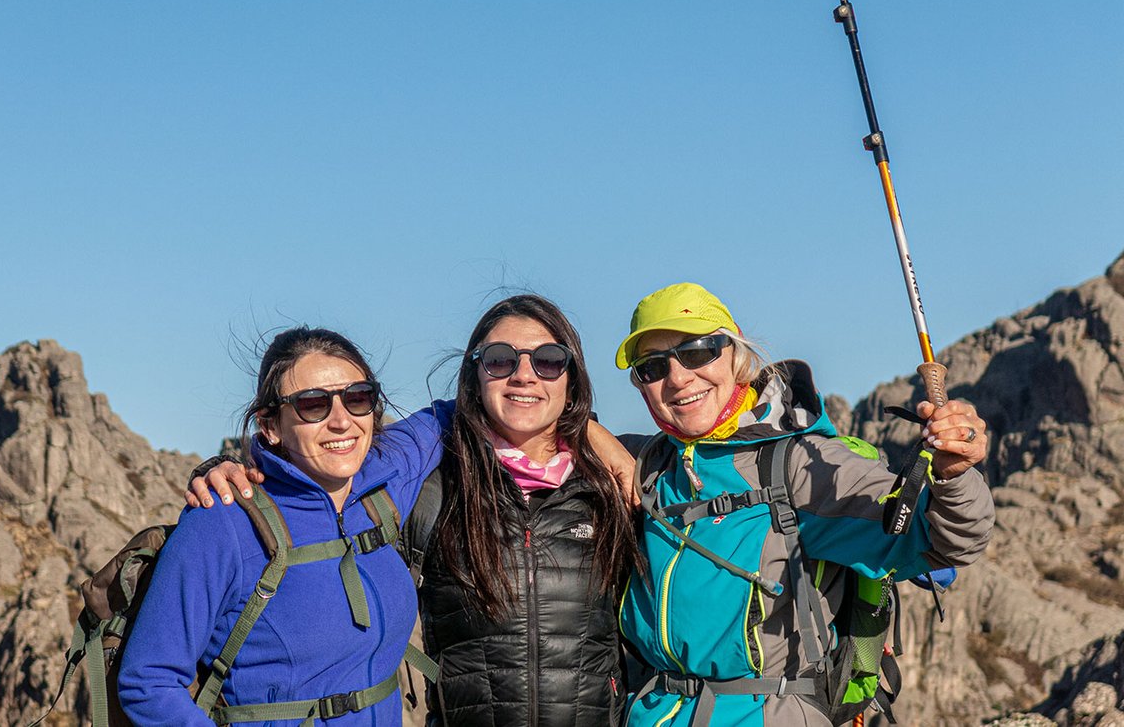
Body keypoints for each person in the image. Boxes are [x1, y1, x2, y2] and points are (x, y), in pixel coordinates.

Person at [189, 295, 641, 727]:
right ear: (476, 374)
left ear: (571, 374)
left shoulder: (619, 480)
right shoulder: (432, 481)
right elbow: (322, 470)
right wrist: (230, 466)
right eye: (500, 359)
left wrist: (591, 432)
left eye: (548, 360)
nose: (524, 375)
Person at [613, 282, 995, 727]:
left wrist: (953, 473)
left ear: (735, 355)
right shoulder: (650, 466)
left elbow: (947, 539)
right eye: (652, 367)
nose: (678, 378)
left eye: (698, 351)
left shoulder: (802, 463)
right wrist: (601, 441)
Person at [117, 327, 443, 725]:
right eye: (312, 405)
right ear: (270, 426)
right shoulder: (222, 522)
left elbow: (466, 408)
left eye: (358, 398)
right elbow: (148, 681)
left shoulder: (385, 481)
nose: (342, 421)